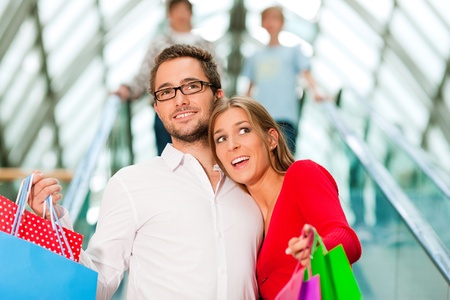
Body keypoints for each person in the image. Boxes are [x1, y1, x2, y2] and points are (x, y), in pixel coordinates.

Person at [30, 45, 264, 299]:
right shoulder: (130, 184)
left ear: (218, 94)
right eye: (166, 92)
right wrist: (50, 225)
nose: (179, 100)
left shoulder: (251, 187)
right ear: (156, 108)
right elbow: (96, 285)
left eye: (192, 86)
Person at [208, 96, 362, 299]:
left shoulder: (301, 174)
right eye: (221, 139)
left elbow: (347, 239)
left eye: (244, 130)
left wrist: (317, 248)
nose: (232, 145)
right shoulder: (245, 217)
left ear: (271, 139)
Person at [114, 0, 217, 155]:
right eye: (177, 10)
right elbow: (145, 74)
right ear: (169, 14)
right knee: (168, 159)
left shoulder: (205, 44)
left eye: (184, 10)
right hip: (167, 113)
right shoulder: (159, 44)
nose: (181, 14)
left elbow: (218, 75)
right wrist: (127, 89)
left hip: (200, 111)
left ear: (191, 13)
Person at [241, 6, 325, 155]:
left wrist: (317, 92)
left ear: (282, 23)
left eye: (275, 19)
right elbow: (249, 88)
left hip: (286, 118)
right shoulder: (255, 56)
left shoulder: (293, 51)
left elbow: (307, 74)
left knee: (284, 160)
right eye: (267, 19)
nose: (271, 23)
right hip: (261, 118)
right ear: (262, 24)